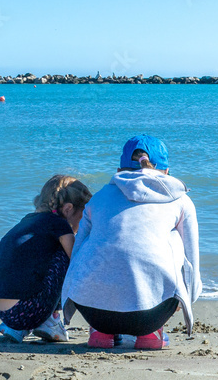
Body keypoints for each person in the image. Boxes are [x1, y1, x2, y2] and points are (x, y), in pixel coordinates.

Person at [61, 135, 200, 350]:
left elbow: (77, 252)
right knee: (172, 239)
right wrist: (186, 299)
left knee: (96, 241)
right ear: (166, 171)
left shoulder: (98, 197)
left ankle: (101, 334)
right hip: (149, 315)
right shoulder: (180, 200)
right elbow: (191, 260)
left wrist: (68, 301)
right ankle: (151, 334)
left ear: (120, 170)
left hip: (92, 311)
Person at [0, 175, 92, 343]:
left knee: (39, 258)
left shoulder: (27, 222)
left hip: (4, 312)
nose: (83, 222)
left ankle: (18, 328)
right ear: (68, 209)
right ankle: (51, 320)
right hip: (27, 311)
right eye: (83, 215)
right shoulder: (59, 224)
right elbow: (76, 260)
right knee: (69, 255)